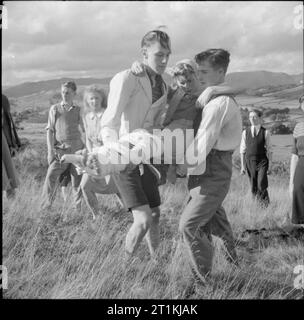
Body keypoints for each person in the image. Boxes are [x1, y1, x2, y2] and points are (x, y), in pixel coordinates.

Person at [100, 30, 171, 260]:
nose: (164, 60)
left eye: (167, 55)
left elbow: (156, 123)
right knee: (143, 220)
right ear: (144, 53)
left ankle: (156, 262)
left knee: (156, 213)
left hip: (147, 156)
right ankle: (122, 268)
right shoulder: (127, 78)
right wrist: (116, 155)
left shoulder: (165, 86)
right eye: (159, 55)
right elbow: (108, 122)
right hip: (123, 156)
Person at [179, 49, 242, 283]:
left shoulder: (218, 104)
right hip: (207, 167)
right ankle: (232, 268)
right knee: (216, 224)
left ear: (221, 71)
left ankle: (205, 283)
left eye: (204, 71)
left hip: (212, 167)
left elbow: (203, 141)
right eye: (199, 71)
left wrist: (180, 166)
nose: (200, 75)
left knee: (190, 225)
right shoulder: (214, 96)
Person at [40, 81, 84, 211]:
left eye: (68, 93)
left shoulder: (79, 110)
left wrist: (86, 150)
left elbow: (85, 131)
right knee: (50, 177)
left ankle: (78, 212)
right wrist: (50, 152)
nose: (64, 95)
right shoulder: (55, 109)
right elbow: (50, 130)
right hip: (61, 152)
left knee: (77, 182)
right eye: (63, 92)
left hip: (77, 152)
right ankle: (45, 208)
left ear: (74, 94)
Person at [80, 85, 121, 220]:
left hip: (108, 156)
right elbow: (87, 138)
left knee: (120, 189)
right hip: (93, 157)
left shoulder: (108, 116)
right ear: (87, 100)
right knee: (85, 186)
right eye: (91, 98)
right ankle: (97, 216)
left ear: (102, 99)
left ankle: (130, 214)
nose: (94, 101)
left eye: (96, 98)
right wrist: (91, 154)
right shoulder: (87, 116)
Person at [240, 108, 272, 207]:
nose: (252, 119)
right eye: (250, 117)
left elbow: (270, 151)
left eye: (254, 116)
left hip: (262, 161)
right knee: (253, 187)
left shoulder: (266, 132)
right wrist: (242, 166)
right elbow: (242, 151)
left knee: (261, 184)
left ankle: (265, 206)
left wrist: (270, 166)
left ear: (259, 118)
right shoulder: (245, 132)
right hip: (249, 162)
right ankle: (257, 206)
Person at [288, 95, 304, 225]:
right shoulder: (298, 127)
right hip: (301, 165)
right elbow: (294, 155)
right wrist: (291, 180)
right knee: (298, 192)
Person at [2, 94, 20, 199]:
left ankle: (11, 208)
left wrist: (11, 144)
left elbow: (7, 124)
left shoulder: (2, 99)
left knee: (8, 175)